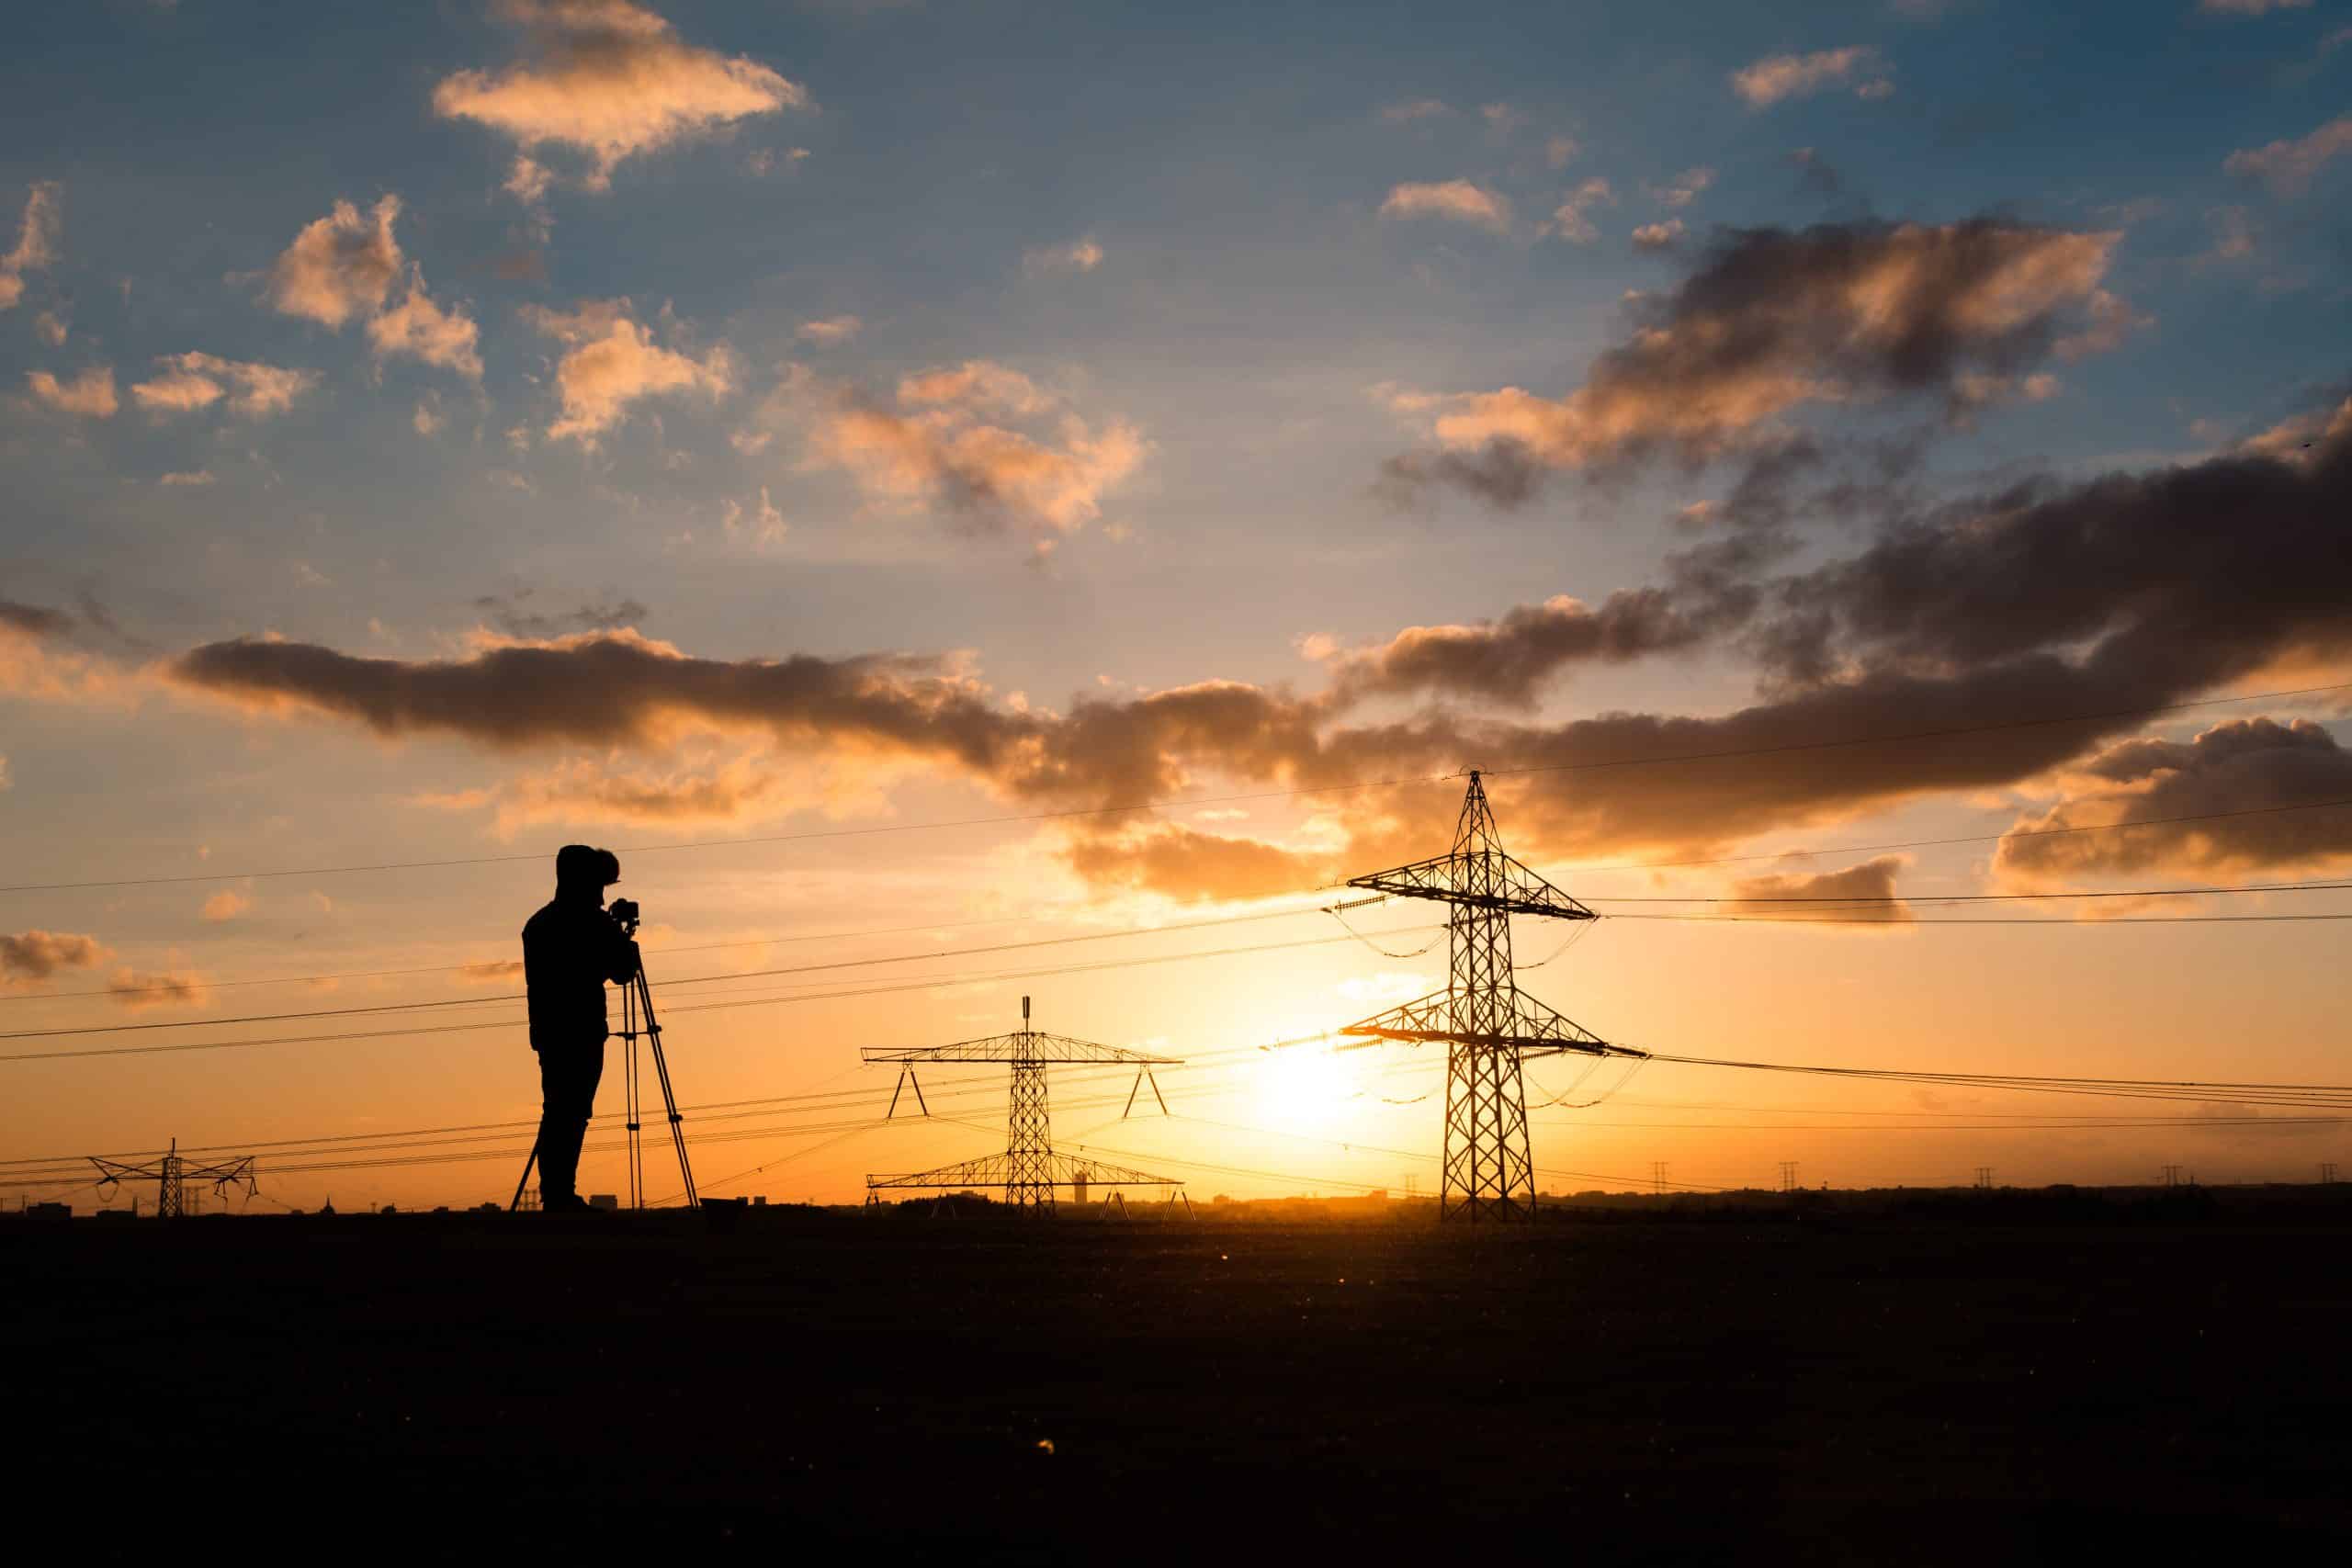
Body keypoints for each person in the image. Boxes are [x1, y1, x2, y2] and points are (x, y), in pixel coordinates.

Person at [521, 844, 640, 1213]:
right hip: (581, 1030)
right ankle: (559, 1196)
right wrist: (623, 939)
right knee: (570, 1112)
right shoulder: (589, 923)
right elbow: (622, 972)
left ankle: (555, 1192)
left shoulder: (538, 924)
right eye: (599, 885)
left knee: (558, 1109)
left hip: (549, 1032)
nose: (602, 895)